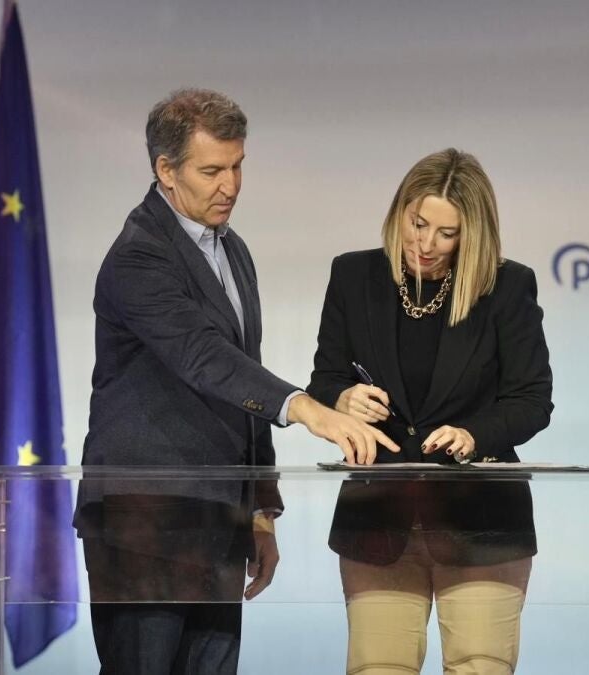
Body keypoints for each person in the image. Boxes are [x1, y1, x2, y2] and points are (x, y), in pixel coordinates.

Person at [76, 88, 398, 674]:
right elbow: (203, 357)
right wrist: (309, 408)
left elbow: (242, 377)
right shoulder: (138, 256)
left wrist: (258, 510)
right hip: (145, 523)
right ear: (166, 170)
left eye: (238, 166)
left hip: (218, 520)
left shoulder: (233, 250)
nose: (230, 185)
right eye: (212, 171)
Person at [306, 148, 553, 674]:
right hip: (378, 521)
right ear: (400, 210)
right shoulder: (354, 276)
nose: (426, 244)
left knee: (479, 665)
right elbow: (324, 381)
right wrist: (342, 399)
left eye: (447, 233)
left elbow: (532, 401)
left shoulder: (507, 287)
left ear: (472, 234)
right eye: (418, 224)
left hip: (482, 525)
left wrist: (473, 435)